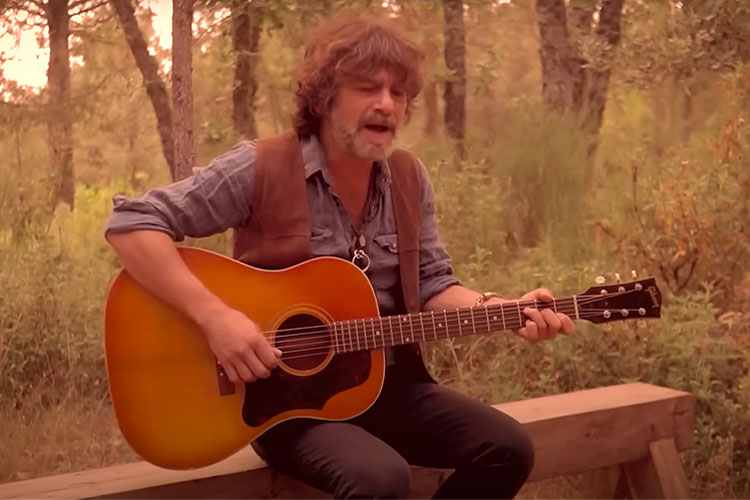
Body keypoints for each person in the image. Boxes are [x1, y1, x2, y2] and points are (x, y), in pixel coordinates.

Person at [105, 16, 574, 499]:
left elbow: (432, 283)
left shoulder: (408, 179)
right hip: (280, 401)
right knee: (379, 479)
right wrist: (216, 319)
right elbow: (131, 224)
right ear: (325, 97)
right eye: (367, 88)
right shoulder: (262, 166)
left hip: (385, 386)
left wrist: (502, 308)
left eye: (398, 93)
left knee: (507, 449)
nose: (386, 103)